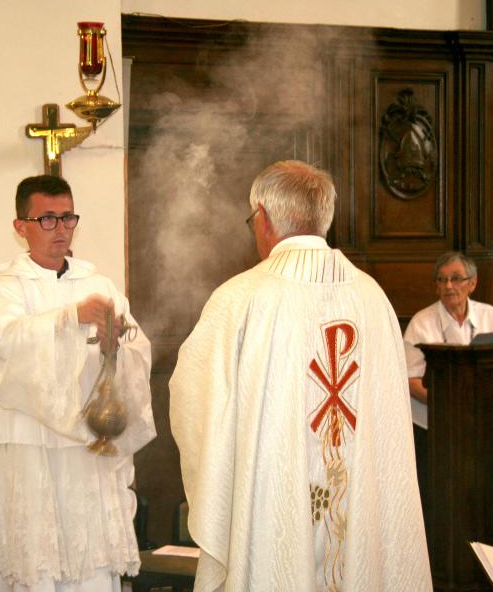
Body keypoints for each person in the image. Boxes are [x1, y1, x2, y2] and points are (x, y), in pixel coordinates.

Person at [169, 160, 432, 592]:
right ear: (324, 217)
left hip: (273, 502)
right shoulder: (372, 296)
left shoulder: (242, 297)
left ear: (263, 218)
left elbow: (195, 399)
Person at [0, 174, 155, 592]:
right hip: (30, 447)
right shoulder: (3, 290)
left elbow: (136, 348)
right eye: (48, 219)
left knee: (89, 562)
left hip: (86, 447)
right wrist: (68, 318)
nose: (61, 229)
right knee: (36, 560)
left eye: (68, 218)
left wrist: (116, 347)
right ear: (21, 226)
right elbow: (4, 345)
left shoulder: (98, 283)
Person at [402, 251, 493, 429]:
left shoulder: (491, 316)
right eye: (442, 280)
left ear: (472, 283)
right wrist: (447, 403)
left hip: (481, 418)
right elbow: (411, 381)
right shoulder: (421, 323)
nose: (448, 286)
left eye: (456, 278)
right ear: (436, 287)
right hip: (432, 422)